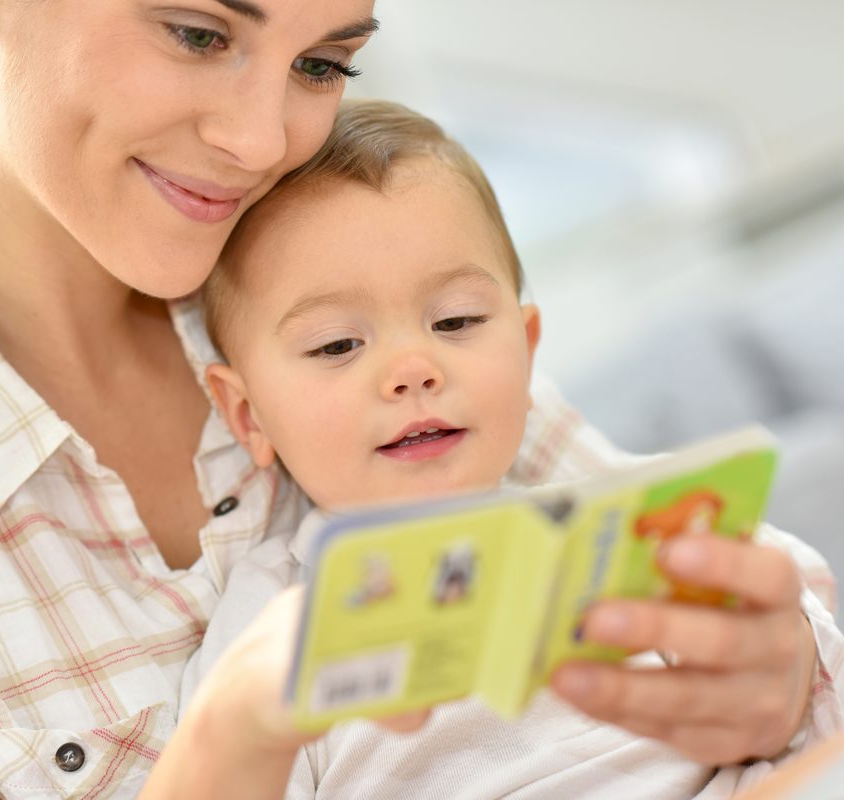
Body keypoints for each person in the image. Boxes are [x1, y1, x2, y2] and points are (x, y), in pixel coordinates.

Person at [0, 2, 838, 799]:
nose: (261, 142)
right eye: (196, 31)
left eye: (321, 63)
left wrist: (782, 674)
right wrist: (237, 728)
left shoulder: (329, 252)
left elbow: (724, 610)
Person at [180, 99, 844, 798]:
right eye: (338, 345)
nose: (413, 368)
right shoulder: (269, 623)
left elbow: (787, 659)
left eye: (456, 320)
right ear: (248, 414)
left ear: (527, 353)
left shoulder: (602, 530)